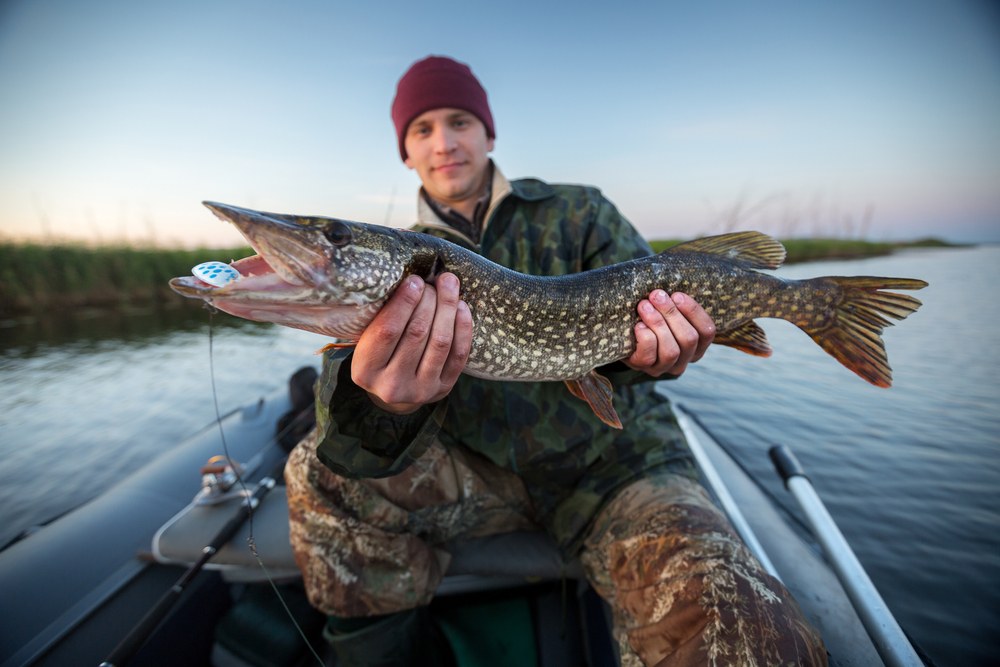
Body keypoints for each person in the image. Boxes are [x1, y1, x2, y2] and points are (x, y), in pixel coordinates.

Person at [284, 55, 827, 666]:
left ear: (489, 133)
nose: (444, 143)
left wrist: (657, 356)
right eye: (422, 129)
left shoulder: (580, 212)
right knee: (317, 472)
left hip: (613, 464)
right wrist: (381, 402)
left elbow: (652, 326)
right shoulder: (393, 259)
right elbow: (355, 442)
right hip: (478, 471)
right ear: (405, 153)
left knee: (743, 628)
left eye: (460, 121)